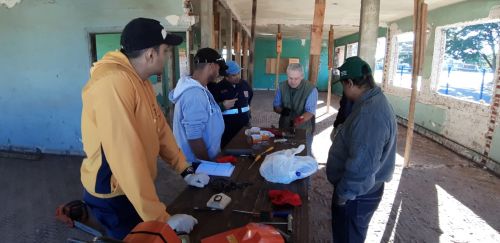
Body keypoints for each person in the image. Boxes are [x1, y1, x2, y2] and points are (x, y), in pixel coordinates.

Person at [80, 18, 211, 240]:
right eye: (166, 51)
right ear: (151, 54)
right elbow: (124, 155)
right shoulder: (113, 83)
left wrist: (184, 169)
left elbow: (160, 129)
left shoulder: (140, 81)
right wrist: (161, 221)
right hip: (113, 193)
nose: (168, 56)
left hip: (134, 187)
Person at [326, 56, 397, 243]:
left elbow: (362, 166)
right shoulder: (373, 101)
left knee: (348, 237)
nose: (343, 90)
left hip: (357, 194)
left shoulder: (369, 114)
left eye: (343, 85)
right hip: (362, 190)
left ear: (349, 83)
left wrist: (343, 195)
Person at [169, 48, 227, 162]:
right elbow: (194, 137)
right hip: (198, 165)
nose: (218, 73)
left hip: (203, 162)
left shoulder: (200, 88)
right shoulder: (194, 94)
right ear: (211, 66)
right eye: (219, 68)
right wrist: (209, 163)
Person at [273, 63, 318, 155]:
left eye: (296, 78)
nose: (293, 81)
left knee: (303, 155)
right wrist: (282, 110)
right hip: (284, 127)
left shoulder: (311, 89)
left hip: (304, 129)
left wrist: (298, 120)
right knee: (284, 153)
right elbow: (276, 106)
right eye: (290, 78)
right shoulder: (281, 87)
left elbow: (310, 112)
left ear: (302, 76)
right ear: (287, 75)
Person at [208, 61, 253, 148]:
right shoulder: (218, 88)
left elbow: (249, 99)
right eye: (233, 75)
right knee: (228, 148)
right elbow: (211, 108)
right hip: (227, 127)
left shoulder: (245, 85)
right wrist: (222, 105)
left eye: (238, 73)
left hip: (244, 124)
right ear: (226, 76)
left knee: (244, 147)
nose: (237, 77)